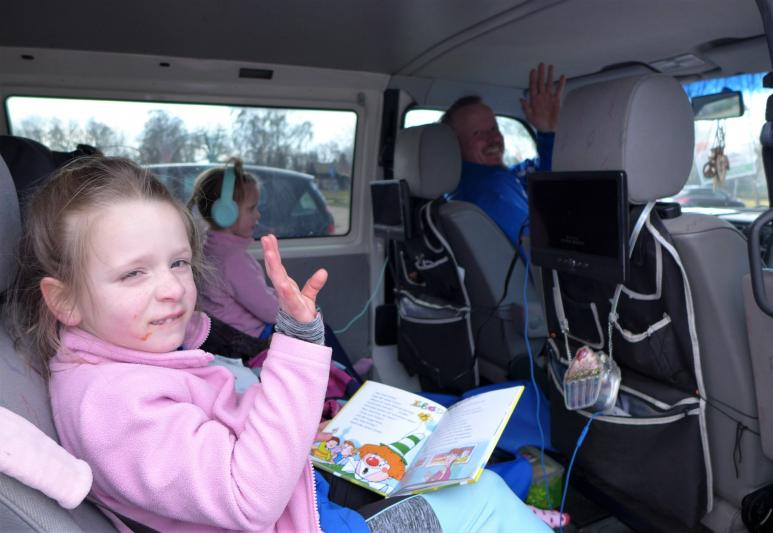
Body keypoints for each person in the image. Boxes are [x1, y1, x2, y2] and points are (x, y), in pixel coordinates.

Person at [5, 156, 555, 532]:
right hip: (292, 518)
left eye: (178, 263)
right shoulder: (113, 404)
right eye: (133, 273)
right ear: (65, 301)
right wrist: (297, 346)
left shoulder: (128, 362)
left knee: (435, 468)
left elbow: (216, 437)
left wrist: (294, 420)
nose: (172, 288)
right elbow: (249, 498)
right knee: (482, 498)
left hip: (300, 499)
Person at [188, 158, 371, 380]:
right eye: (252, 208)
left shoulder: (212, 248)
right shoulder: (233, 260)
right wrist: (297, 308)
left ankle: (340, 371)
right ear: (226, 213)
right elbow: (268, 310)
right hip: (251, 340)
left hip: (232, 335)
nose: (258, 215)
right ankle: (347, 378)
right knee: (317, 328)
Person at [443, 63, 566, 247]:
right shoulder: (491, 191)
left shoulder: (470, 183)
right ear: (455, 146)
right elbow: (541, 251)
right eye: (478, 133)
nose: (493, 138)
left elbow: (535, 175)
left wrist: (547, 133)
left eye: (494, 128)